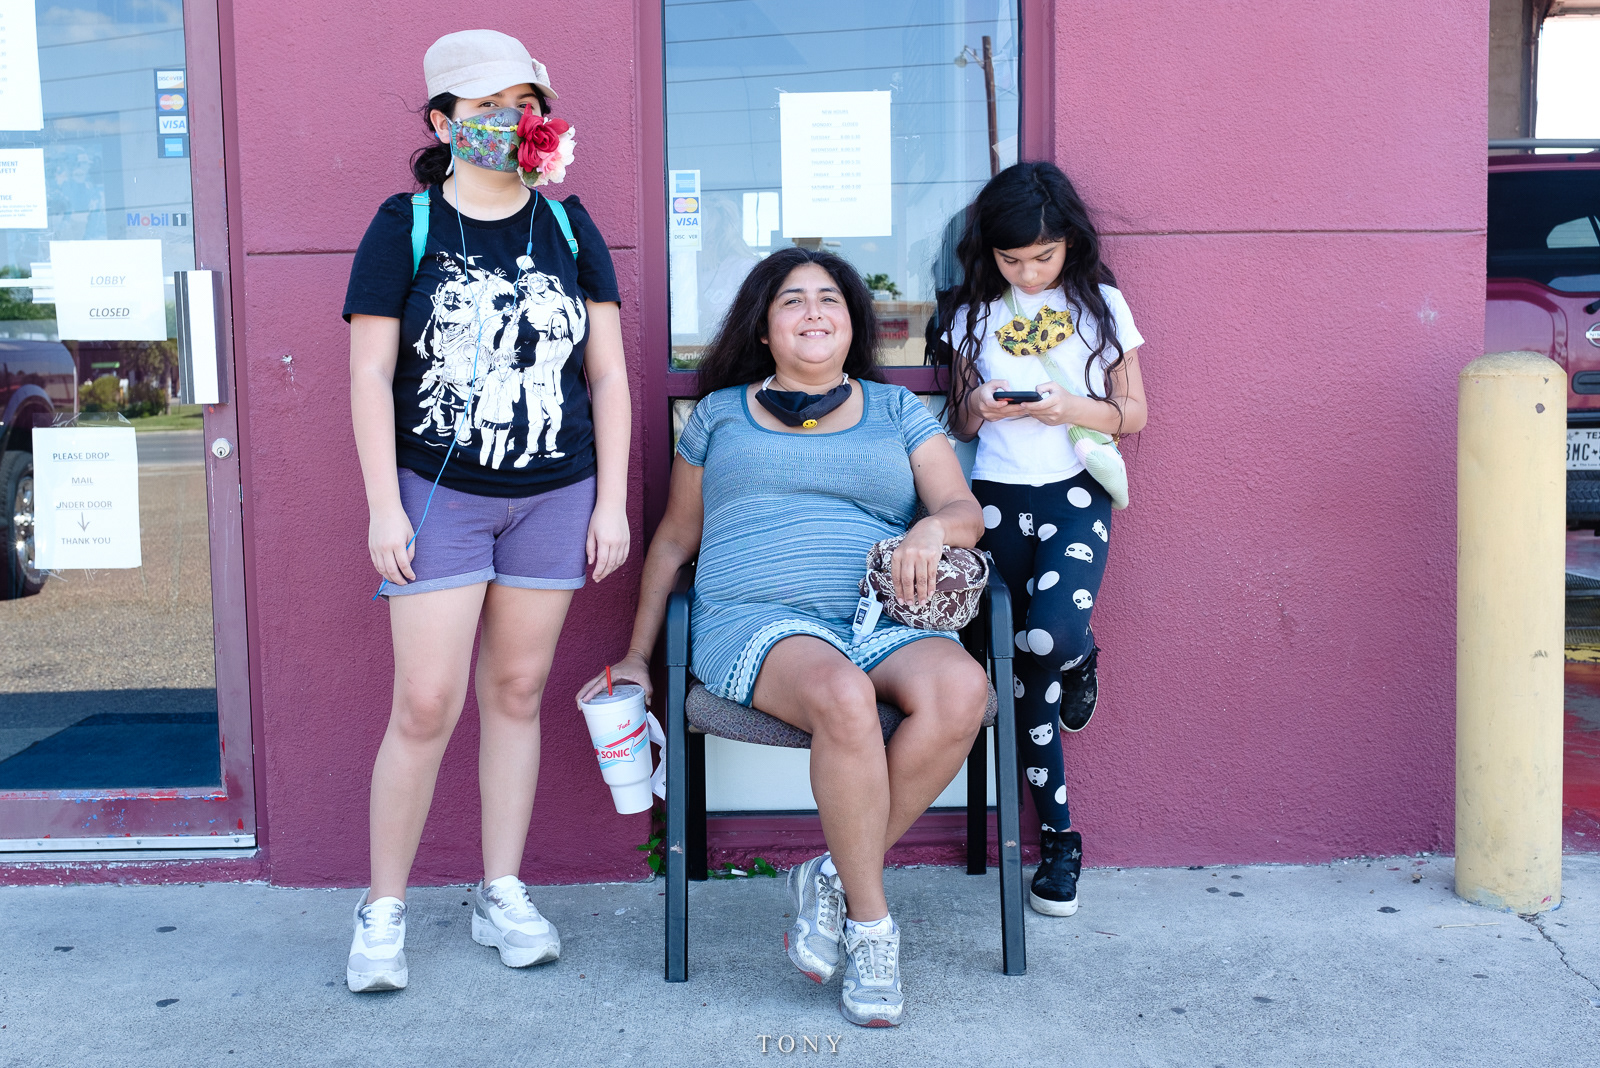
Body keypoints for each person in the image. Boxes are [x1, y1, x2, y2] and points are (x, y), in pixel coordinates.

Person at [579, 248, 989, 1028]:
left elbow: (962, 509)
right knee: (842, 695)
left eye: (829, 299)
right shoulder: (721, 414)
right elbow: (672, 540)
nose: (813, 313)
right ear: (765, 330)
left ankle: (830, 876)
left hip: (874, 614)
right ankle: (872, 929)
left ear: (852, 321)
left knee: (964, 688)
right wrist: (637, 653)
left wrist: (934, 527)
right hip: (755, 616)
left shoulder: (896, 408)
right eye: (792, 301)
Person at [341, 29, 630, 992]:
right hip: (439, 494)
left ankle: (497, 889)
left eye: (523, 102)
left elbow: (609, 373)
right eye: (484, 108)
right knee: (426, 704)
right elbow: (372, 372)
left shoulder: (568, 225)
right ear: (442, 123)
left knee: (515, 694)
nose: (509, 123)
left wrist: (611, 501)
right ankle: (382, 910)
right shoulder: (407, 222)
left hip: (555, 492)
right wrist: (386, 506)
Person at [937, 160, 1148, 918]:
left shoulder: (1101, 307)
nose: (1027, 272)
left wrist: (1071, 408)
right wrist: (983, 407)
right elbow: (958, 421)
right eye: (1011, 259)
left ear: (1069, 242)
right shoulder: (968, 313)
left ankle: (1082, 651)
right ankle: (1060, 839)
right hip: (993, 498)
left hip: (1076, 494)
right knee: (1016, 671)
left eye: (1042, 256)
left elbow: (1136, 414)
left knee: (1048, 641)